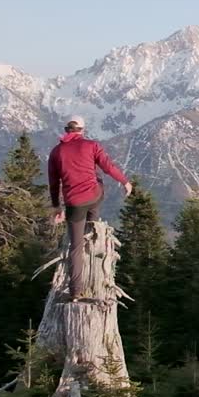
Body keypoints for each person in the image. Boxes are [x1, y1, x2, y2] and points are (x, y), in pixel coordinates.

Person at [47, 115, 132, 299]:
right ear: (82, 130)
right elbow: (108, 167)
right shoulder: (91, 145)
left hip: (73, 204)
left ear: (66, 130)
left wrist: (57, 207)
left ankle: (75, 292)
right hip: (94, 196)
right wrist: (125, 182)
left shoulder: (56, 152)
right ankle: (92, 226)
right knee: (98, 183)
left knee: (75, 247)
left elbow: (54, 184)